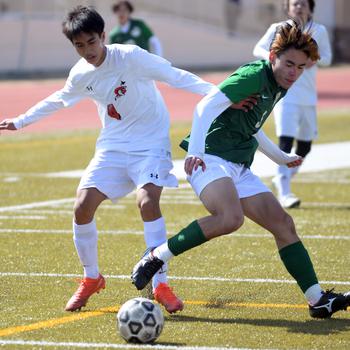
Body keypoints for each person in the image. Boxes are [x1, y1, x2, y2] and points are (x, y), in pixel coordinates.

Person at [0, 5, 218, 314]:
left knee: (147, 202)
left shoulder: (130, 57)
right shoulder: (80, 73)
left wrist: (222, 95)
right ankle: (91, 278)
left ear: (103, 36)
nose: (87, 50)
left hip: (150, 144)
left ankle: (160, 285)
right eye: (79, 45)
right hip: (113, 146)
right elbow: (59, 99)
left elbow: (175, 75)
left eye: (91, 42)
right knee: (82, 206)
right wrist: (21, 120)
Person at [131, 21, 350, 319]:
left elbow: (253, 126)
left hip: (238, 164)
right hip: (209, 158)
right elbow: (204, 107)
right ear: (272, 57)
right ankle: (157, 256)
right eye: (288, 64)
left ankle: (317, 300)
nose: (293, 72)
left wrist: (279, 157)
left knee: (283, 224)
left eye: (300, 67)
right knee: (230, 218)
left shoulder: (279, 85)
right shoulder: (253, 76)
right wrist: (195, 151)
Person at [253, 0, 332, 208]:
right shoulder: (278, 29)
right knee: (286, 141)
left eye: (303, 4)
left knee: (305, 145)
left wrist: (315, 59)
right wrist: (276, 58)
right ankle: (284, 190)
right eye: (295, 3)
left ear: (310, 8)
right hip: (285, 95)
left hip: (308, 96)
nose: (299, 7)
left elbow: (328, 58)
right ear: (287, 7)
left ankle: (283, 176)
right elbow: (258, 49)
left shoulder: (318, 30)